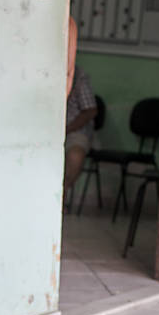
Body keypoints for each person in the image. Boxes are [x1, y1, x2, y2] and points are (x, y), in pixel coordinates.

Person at [63, 63, 98, 211]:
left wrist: (67, 129)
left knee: (75, 155)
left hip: (74, 130)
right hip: (47, 130)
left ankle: (61, 193)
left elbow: (90, 110)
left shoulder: (78, 76)